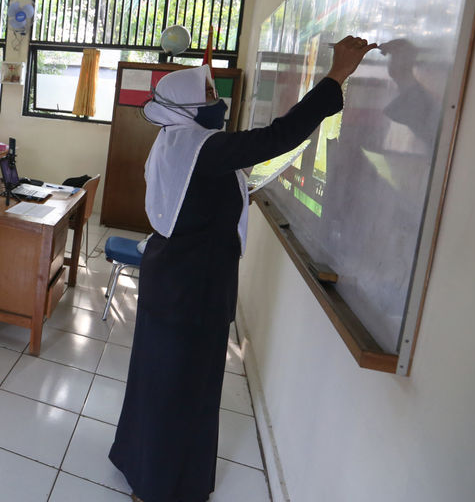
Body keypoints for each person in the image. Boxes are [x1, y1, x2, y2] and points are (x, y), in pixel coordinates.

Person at [108, 37, 377, 502]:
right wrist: (336, 77)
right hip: (192, 289)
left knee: (160, 378)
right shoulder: (202, 147)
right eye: (210, 96)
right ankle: (161, 487)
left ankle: (141, 463)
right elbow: (278, 136)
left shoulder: (178, 140)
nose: (219, 102)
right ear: (190, 107)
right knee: (183, 387)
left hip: (172, 279)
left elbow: (198, 200)